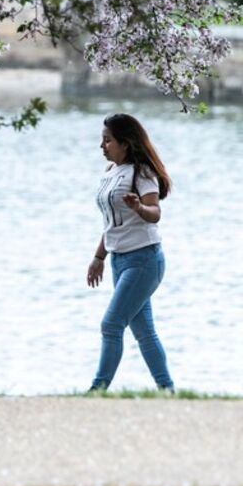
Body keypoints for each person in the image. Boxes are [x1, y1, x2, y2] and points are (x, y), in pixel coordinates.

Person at [87, 113, 175, 393]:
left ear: (125, 143)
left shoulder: (142, 172)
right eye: (102, 141)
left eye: (108, 141)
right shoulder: (111, 173)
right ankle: (167, 390)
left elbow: (155, 213)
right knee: (144, 332)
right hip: (119, 260)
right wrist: (99, 257)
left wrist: (138, 207)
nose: (103, 147)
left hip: (144, 259)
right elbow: (110, 222)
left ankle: (98, 389)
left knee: (111, 324)